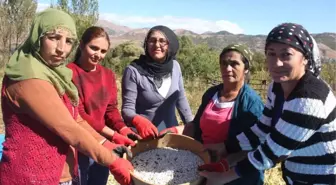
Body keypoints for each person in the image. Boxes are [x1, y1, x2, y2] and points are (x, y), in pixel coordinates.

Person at [0, 8, 133, 185]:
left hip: (62, 169)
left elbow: (75, 119)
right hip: (32, 176)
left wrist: (107, 143)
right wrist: (113, 161)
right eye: (53, 38)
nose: (61, 49)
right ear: (37, 36)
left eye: (68, 41)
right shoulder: (29, 78)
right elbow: (69, 129)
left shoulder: (55, 74)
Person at [199, 23, 336, 185]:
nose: (276, 63)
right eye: (271, 54)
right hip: (296, 174)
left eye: (286, 55)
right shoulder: (276, 88)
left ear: (304, 58)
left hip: (322, 176)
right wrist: (225, 147)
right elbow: (262, 129)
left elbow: (273, 151)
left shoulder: (310, 98)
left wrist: (224, 176)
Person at [160, 44, 265, 185]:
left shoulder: (251, 103)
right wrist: (174, 131)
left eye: (234, 64)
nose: (227, 68)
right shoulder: (212, 94)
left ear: (245, 69)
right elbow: (196, 126)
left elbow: (256, 145)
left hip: (234, 174)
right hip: (204, 164)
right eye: (224, 63)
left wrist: (225, 165)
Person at [67, 26, 140, 185]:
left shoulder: (107, 75)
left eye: (103, 51)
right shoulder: (69, 73)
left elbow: (111, 109)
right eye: (93, 48)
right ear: (81, 45)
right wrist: (113, 136)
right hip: (79, 143)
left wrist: (123, 129)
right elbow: (79, 115)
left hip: (104, 142)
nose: (98, 54)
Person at [121, 25, 193, 139]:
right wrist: (139, 121)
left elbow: (181, 99)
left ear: (170, 44)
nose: (157, 45)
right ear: (146, 43)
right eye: (152, 40)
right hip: (143, 137)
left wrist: (192, 127)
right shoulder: (133, 71)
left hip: (170, 135)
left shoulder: (175, 67)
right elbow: (127, 110)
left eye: (162, 41)